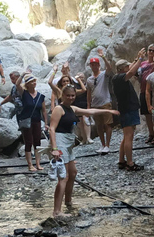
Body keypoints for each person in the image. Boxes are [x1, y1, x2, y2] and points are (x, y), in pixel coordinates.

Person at [49, 84, 120, 217]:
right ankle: (56, 211)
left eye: (73, 95)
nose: (70, 97)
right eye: (68, 95)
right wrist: (54, 149)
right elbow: (52, 129)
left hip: (69, 143)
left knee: (73, 173)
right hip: (60, 142)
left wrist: (108, 111)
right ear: (62, 96)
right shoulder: (59, 109)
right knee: (63, 177)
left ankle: (68, 202)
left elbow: (90, 112)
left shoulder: (72, 108)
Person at [113, 48, 146, 171]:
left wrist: (137, 58)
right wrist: (140, 59)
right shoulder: (120, 78)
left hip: (127, 109)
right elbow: (131, 72)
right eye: (127, 66)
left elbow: (131, 68)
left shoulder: (118, 77)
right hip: (128, 109)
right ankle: (130, 163)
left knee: (126, 136)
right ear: (122, 69)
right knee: (129, 136)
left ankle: (122, 160)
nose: (129, 67)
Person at [16, 71, 49, 171]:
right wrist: (22, 74)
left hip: (37, 121)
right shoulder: (24, 94)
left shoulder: (40, 96)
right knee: (28, 142)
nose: (34, 83)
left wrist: (46, 123)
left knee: (37, 142)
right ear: (27, 84)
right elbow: (17, 84)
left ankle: (38, 164)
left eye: (34, 81)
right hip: (27, 121)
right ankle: (30, 164)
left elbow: (43, 110)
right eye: (31, 81)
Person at [86, 48, 114, 154]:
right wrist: (88, 106)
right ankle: (102, 145)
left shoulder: (104, 75)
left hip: (105, 103)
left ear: (99, 65)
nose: (94, 66)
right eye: (92, 65)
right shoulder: (89, 80)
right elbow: (89, 93)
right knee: (99, 126)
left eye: (95, 64)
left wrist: (103, 57)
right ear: (90, 66)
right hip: (95, 105)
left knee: (107, 124)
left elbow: (110, 68)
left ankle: (107, 145)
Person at [73, 72, 93, 145]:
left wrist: (89, 105)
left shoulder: (86, 85)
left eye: (81, 77)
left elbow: (87, 92)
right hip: (77, 105)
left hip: (84, 105)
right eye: (79, 77)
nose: (80, 78)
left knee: (86, 121)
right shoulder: (75, 86)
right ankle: (84, 138)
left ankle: (88, 137)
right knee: (80, 123)